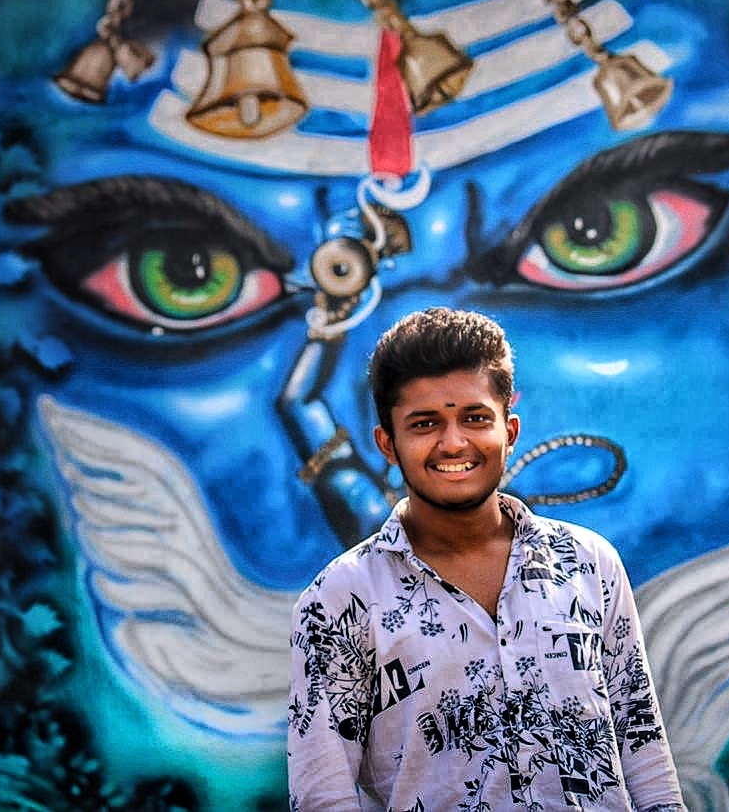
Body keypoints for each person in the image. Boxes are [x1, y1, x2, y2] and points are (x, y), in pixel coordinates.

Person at [287, 307, 687, 811]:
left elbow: (643, 750)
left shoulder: (589, 564)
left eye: (475, 419)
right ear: (387, 444)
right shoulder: (338, 601)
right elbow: (323, 796)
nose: (453, 443)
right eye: (425, 423)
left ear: (510, 431)